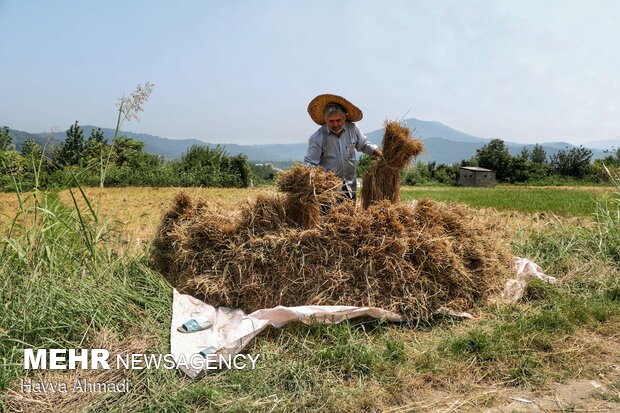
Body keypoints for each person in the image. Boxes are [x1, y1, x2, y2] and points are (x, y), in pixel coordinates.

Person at [303, 94, 382, 200]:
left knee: (351, 215)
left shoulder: (352, 129)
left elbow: (364, 144)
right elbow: (310, 163)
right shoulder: (317, 137)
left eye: (338, 120)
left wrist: (381, 155)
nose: (335, 124)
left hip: (350, 188)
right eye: (331, 121)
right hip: (328, 191)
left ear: (344, 118)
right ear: (325, 120)